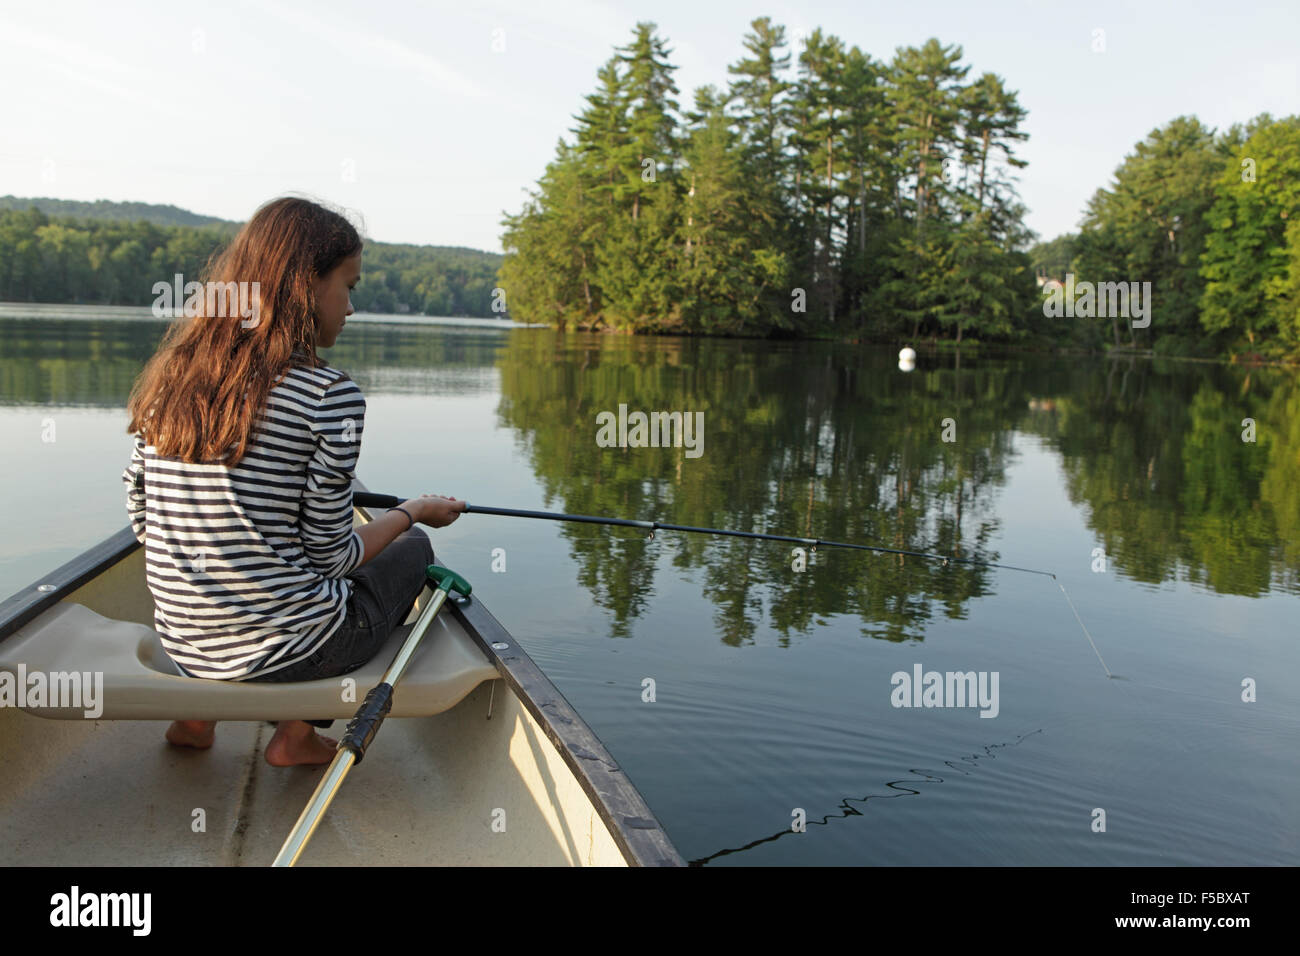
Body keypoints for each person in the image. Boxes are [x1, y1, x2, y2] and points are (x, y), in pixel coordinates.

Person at [121, 196, 464, 766]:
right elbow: (332, 558)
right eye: (347, 286)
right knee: (413, 550)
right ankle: (296, 735)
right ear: (305, 287)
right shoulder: (330, 396)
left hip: (183, 643)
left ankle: (197, 712)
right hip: (295, 653)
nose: (351, 308)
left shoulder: (173, 378)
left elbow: (141, 510)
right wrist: (413, 511)